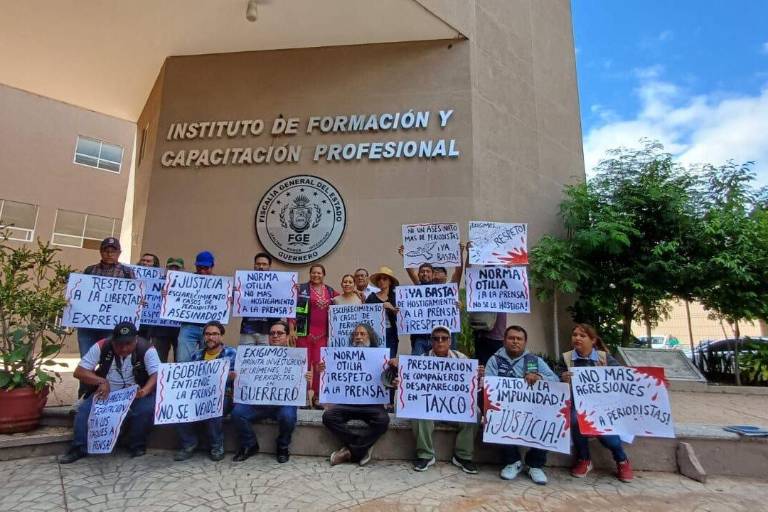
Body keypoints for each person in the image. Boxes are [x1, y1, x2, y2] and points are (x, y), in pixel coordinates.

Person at [58, 322, 159, 464]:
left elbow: (156, 374)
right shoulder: (102, 346)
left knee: (145, 409)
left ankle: (137, 445)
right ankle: (78, 448)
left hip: (136, 391)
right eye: (119, 344)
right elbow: (79, 372)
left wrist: (144, 391)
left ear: (136, 339)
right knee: (84, 412)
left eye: (128, 344)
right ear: (112, 340)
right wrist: (101, 381)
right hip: (108, 392)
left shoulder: (147, 349)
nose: (123, 348)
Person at [397, 325, 480, 474]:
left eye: (444, 338)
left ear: (450, 341)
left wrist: (478, 377)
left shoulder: (462, 359)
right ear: (431, 341)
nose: (440, 341)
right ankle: (425, 455)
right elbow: (412, 386)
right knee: (417, 410)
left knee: (476, 412)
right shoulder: (421, 360)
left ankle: (463, 456)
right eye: (436, 339)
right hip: (431, 408)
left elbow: (471, 388)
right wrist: (402, 382)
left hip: (454, 408)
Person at [556, 323, 634, 482]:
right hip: (578, 406)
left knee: (610, 439)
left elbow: (624, 379)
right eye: (575, 335)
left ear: (593, 340)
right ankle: (584, 459)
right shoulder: (566, 358)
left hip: (603, 408)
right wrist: (562, 378)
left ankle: (621, 459)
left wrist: (606, 373)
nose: (577, 338)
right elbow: (555, 379)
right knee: (575, 419)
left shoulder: (604, 358)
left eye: (582, 335)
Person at [483, 325, 559, 485]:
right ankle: (512, 462)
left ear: (525, 342)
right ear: (504, 341)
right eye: (511, 338)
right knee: (495, 417)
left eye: (519, 339)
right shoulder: (494, 360)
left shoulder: (533, 361)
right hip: (504, 409)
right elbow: (488, 386)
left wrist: (539, 377)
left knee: (551, 420)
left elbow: (555, 381)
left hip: (532, 410)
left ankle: (535, 464)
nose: (515, 342)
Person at [231, 321, 312, 463]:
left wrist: (306, 379)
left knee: (288, 416)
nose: (275, 336)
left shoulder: (297, 357)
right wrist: (236, 377)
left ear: (287, 337)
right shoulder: (255, 356)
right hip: (257, 403)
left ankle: (282, 446)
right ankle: (250, 444)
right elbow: (246, 378)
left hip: (283, 404)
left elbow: (300, 389)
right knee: (238, 413)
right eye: (272, 333)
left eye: (280, 333)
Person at [75, 237, 136, 401]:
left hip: (112, 327)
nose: (109, 254)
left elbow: (133, 296)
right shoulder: (90, 270)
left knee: (109, 362)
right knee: (86, 362)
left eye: (113, 251)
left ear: (119, 253)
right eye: (106, 250)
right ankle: (84, 397)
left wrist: (138, 301)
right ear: (101, 252)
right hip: (87, 325)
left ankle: (106, 395)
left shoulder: (127, 273)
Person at [321, 323, 391, 466]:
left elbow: (388, 381)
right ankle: (361, 448)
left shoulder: (381, 357)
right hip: (348, 404)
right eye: (356, 334)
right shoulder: (341, 356)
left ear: (370, 337)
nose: (358, 337)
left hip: (372, 405)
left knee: (383, 420)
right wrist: (323, 368)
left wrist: (393, 367)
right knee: (328, 416)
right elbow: (332, 378)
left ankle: (350, 451)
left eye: (362, 334)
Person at [174, 321, 237, 462]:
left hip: (223, 395)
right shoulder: (196, 355)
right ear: (204, 337)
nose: (211, 337)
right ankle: (189, 444)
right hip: (199, 395)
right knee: (178, 407)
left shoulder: (232, 353)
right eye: (207, 334)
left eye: (215, 334)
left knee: (213, 408)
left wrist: (232, 376)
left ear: (221, 336)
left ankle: (217, 446)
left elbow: (239, 378)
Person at [290, 264, 337, 407]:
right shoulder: (301, 289)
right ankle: (302, 396)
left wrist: (358, 294)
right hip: (304, 334)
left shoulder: (330, 291)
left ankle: (317, 396)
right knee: (303, 365)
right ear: (310, 274)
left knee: (319, 366)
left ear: (324, 275)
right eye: (313, 273)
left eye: (319, 273)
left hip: (322, 336)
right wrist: (291, 329)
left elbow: (345, 299)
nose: (316, 275)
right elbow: (292, 308)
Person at [176, 251, 216, 363]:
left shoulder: (221, 284)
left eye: (206, 268)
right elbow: (175, 296)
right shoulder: (186, 281)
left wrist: (230, 298)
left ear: (212, 266)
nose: (202, 271)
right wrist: (167, 294)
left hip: (209, 327)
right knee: (183, 361)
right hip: (188, 325)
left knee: (208, 362)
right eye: (199, 268)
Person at [239, 252, 280, 345]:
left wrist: (294, 289)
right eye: (258, 264)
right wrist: (233, 295)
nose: (261, 267)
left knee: (266, 355)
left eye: (264, 264)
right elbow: (238, 302)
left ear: (269, 266)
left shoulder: (277, 284)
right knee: (245, 354)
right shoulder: (244, 282)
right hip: (248, 329)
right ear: (254, 265)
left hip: (268, 330)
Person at [149, 257, 185, 362]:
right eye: (171, 267)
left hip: (180, 329)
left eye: (177, 268)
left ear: (183, 270)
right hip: (160, 328)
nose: (173, 270)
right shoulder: (156, 282)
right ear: (166, 268)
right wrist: (158, 294)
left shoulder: (189, 284)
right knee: (158, 360)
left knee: (180, 361)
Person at [364, 267, 399, 358]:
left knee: (390, 359)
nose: (381, 281)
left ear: (390, 282)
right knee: (375, 359)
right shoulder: (371, 297)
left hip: (391, 333)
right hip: (375, 333)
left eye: (384, 279)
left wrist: (392, 308)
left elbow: (402, 318)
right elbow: (365, 315)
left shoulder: (396, 297)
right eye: (379, 279)